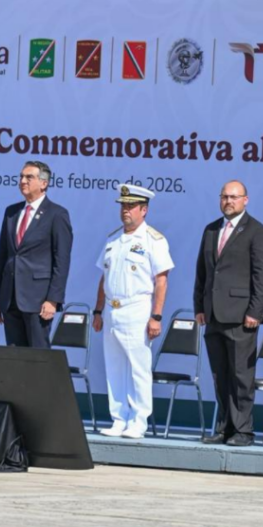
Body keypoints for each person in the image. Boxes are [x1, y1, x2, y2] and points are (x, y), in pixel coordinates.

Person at [193, 180, 263, 447]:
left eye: (234, 197)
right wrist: (199, 307)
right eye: (225, 196)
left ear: (245, 200)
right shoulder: (211, 229)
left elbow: (262, 277)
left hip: (241, 316)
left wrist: (255, 311)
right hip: (214, 314)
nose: (228, 201)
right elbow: (202, 272)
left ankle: (244, 430)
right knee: (220, 374)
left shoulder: (257, 231)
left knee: (241, 375)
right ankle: (225, 427)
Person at [92, 185, 173, 439]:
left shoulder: (153, 240)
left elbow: (161, 281)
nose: (125, 211)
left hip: (137, 308)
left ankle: (138, 420)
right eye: (123, 206)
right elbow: (104, 278)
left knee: (138, 368)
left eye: (131, 206)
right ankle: (119, 418)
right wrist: (97, 310)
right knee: (114, 366)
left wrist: (156, 316)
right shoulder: (113, 239)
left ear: (144, 210)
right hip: (112, 310)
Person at [0, 161, 73, 348]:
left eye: (29, 177)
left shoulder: (57, 214)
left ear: (44, 183)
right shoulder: (11, 212)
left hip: (38, 300)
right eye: (21, 176)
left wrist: (53, 299)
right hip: (10, 298)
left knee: (38, 357)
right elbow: (2, 255)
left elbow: (62, 260)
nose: (23, 181)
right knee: (15, 358)